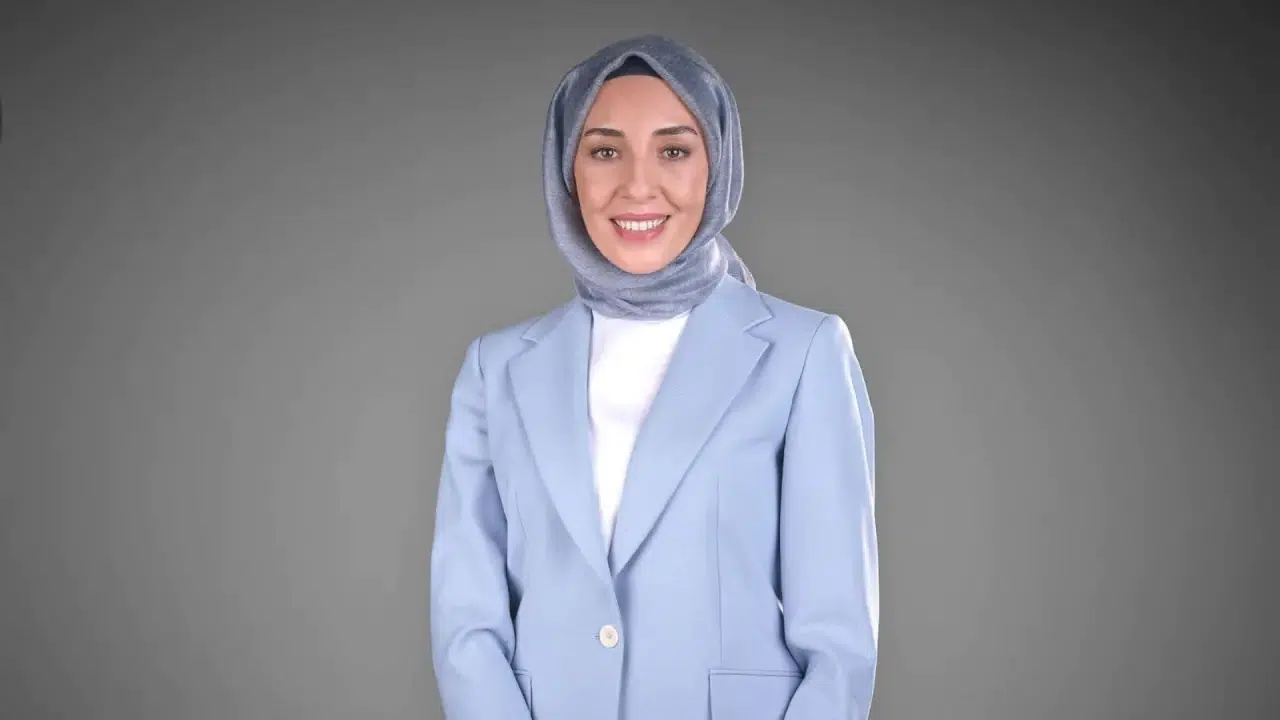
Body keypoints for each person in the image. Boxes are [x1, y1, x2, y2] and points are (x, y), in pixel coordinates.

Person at [429, 34, 878, 720]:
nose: (638, 185)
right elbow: (466, 622)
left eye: (674, 151)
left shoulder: (803, 353)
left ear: (717, 165)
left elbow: (839, 643)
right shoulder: (496, 369)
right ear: (566, 171)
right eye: (605, 151)